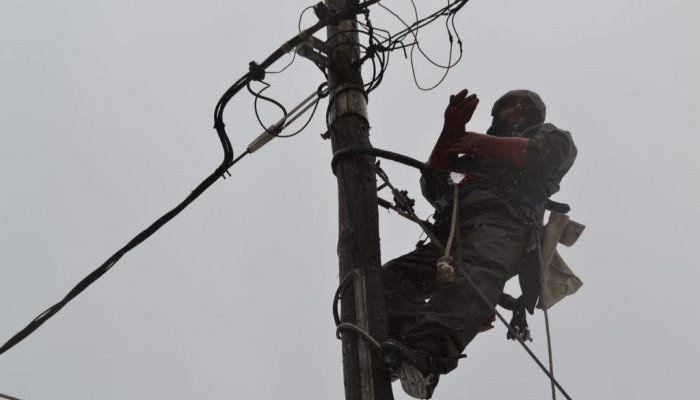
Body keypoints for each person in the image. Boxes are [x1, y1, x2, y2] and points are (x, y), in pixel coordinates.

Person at [379, 89, 577, 399]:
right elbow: (435, 184)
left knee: (476, 276)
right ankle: (401, 342)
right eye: (509, 106)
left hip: (504, 222)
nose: (515, 110)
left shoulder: (552, 137)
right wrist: (452, 130)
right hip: (451, 230)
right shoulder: (475, 157)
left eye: (523, 107)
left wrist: (472, 140)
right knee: (392, 276)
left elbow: (539, 155)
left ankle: (426, 356)